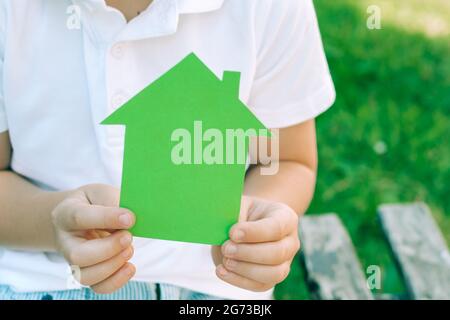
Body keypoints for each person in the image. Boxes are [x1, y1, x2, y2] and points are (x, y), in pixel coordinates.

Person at [0, 0, 335, 300]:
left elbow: (286, 160)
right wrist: (54, 224)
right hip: (45, 280)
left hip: (216, 285)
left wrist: (256, 226)